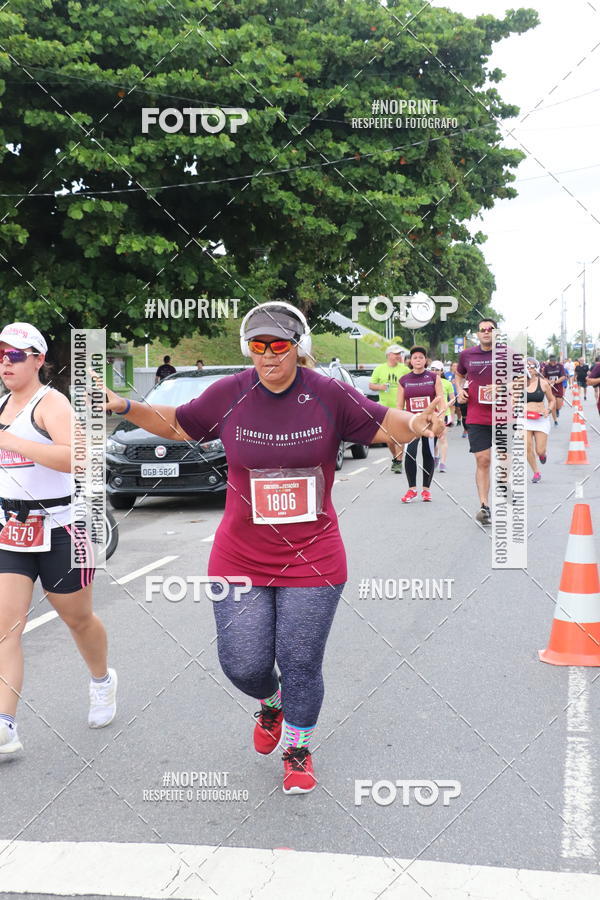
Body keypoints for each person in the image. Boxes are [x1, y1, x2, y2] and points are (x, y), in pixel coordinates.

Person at [97, 302, 445, 794]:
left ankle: (298, 749)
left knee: (300, 660)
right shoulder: (230, 394)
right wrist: (125, 406)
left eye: (278, 346)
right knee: (243, 663)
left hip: (314, 555)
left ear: (297, 348)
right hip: (240, 555)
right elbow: (178, 423)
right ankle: (270, 702)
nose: (268, 356)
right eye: (257, 346)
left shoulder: (328, 394)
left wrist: (417, 426)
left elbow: (388, 423)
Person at [0, 322, 116, 756]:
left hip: (65, 528)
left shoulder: (52, 404)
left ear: (38, 360)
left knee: (78, 619)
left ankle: (102, 680)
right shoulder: (1, 407)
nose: (5, 362)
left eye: (15, 354)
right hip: (12, 531)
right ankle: (5, 725)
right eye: (0, 354)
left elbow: (78, 459)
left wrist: (10, 440)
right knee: (5, 627)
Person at [455, 318, 496, 525]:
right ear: (478, 334)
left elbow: (520, 380)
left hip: (503, 416)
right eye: (482, 330)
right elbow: (459, 375)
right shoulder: (467, 355)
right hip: (477, 416)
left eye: (490, 329)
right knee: (483, 460)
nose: (486, 332)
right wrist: (460, 390)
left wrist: (503, 388)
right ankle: (484, 506)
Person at [397, 347, 444, 502]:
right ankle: (412, 489)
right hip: (412, 422)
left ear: (425, 360)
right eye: (415, 357)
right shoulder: (404, 380)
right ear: (411, 361)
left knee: (428, 453)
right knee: (410, 453)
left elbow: (440, 399)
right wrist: (399, 422)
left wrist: (441, 420)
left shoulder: (433, 377)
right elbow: (399, 406)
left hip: (430, 422)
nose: (418, 360)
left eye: (421, 357)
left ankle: (426, 490)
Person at [368, 345, 410, 473]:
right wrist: (380, 387)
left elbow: (411, 383)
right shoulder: (380, 369)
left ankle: (398, 462)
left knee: (399, 436)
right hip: (384, 409)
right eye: (396, 353)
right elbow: (371, 385)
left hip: (400, 407)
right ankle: (395, 457)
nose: (398, 356)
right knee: (389, 438)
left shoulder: (404, 369)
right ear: (388, 355)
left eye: (399, 354)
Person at [519, 358, 555, 483]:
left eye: (532, 366)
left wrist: (548, 410)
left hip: (540, 419)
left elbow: (552, 400)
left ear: (537, 369)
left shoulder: (544, 383)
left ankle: (542, 454)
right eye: (526, 366)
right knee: (526, 447)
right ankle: (536, 472)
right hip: (524, 419)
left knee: (539, 450)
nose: (529, 368)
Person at [429, 361, 454, 472]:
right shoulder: (427, 382)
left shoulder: (447, 383)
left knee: (442, 437)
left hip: (445, 414)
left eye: (437, 370)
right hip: (431, 415)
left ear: (442, 371)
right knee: (432, 438)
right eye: (433, 369)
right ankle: (436, 456)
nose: (434, 372)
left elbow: (453, 398)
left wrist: (447, 404)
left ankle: (443, 463)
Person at [540, 355, 567, 425]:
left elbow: (564, 376)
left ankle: (558, 410)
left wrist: (557, 381)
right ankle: (555, 420)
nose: (553, 363)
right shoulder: (546, 367)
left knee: (559, 404)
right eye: (552, 361)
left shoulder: (560, 366)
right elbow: (543, 377)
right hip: (550, 388)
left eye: (554, 361)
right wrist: (548, 381)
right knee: (553, 404)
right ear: (549, 360)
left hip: (558, 387)